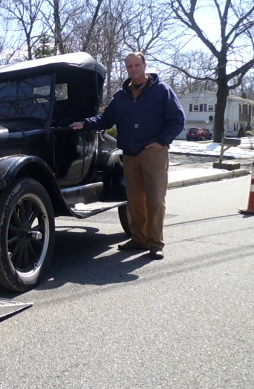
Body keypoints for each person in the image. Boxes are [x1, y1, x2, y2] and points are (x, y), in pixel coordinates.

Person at [70, 52, 185, 260]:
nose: (133, 69)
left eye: (136, 65)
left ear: (144, 65)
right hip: (130, 154)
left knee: (155, 199)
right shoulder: (121, 96)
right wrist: (85, 123)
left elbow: (177, 119)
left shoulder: (161, 91)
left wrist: (161, 141)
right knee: (134, 200)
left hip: (153, 153)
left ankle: (155, 243)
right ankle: (138, 239)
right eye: (130, 66)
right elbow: (106, 119)